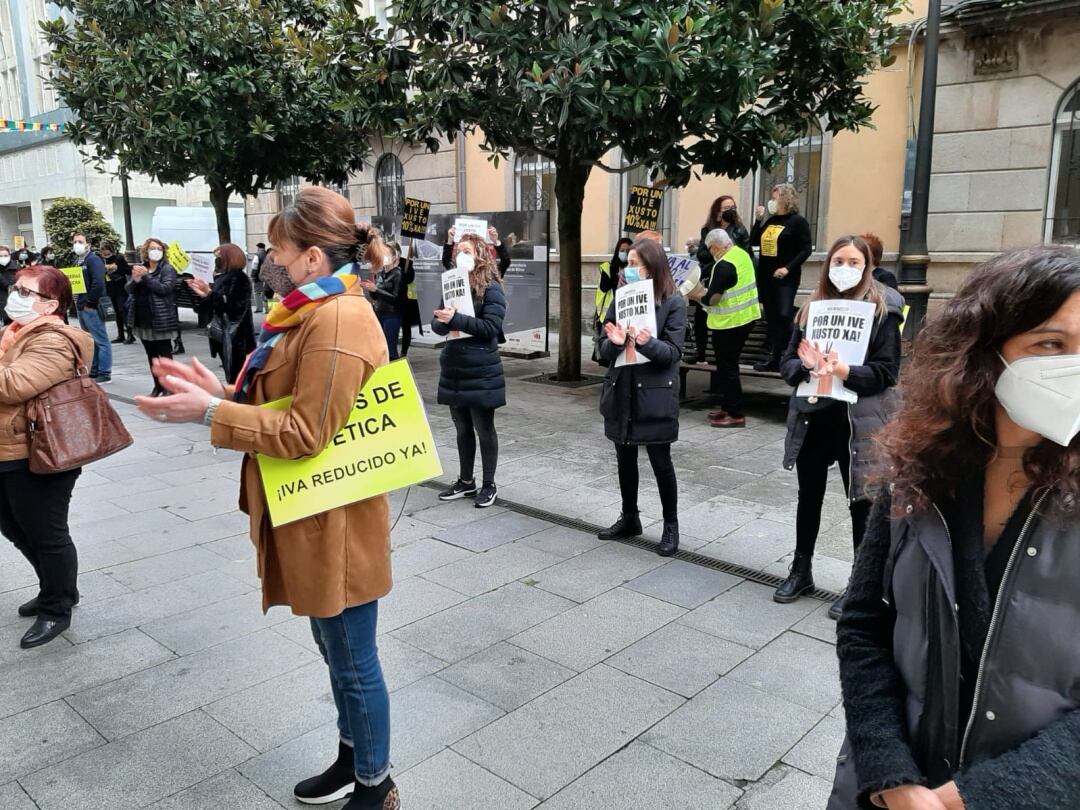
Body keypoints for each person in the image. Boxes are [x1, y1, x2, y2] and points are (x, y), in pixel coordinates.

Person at [135, 186, 398, 810]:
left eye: (279, 251)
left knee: (354, 658)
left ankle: (377, 782)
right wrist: (221, 390)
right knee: (334, 648)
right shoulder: (310, 309)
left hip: (334, 516)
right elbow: (292, 402)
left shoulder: (334, 318)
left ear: (312, 257)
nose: (271, 262)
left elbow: (307, 432)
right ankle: (352, 756)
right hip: (311, 509)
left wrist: (211, 415)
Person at [829, 245, 1080, 810]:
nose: (1073, 366)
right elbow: (864, 621)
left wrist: (967, 799)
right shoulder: (923, 472)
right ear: (984, 354)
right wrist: (890, 774)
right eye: (1050, 344)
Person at [773, 235, 903, 619]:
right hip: (814, 416)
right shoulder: (810, 308)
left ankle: (861, 586)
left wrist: (844, 370)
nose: (844, 268)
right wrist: (806, 366)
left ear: (867, 267)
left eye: (853, 262)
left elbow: (887, 372)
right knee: (808, 496)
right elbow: (786, 364)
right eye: (838, 260)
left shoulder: (883, 309)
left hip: (857, 423)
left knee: (861, 504)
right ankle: (801, 569)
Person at [0, 265, 93, 649]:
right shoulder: (15, 332)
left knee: (46, 532)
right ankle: (54, 586)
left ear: (50, 304)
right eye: (15, 288)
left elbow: (14, 385)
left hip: (38, 451)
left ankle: (57, 608)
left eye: (26, 292)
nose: (15, 295)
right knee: (14, 526)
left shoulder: (55, 339)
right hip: (9, 446)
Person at [596, 237, 687, 557]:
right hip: (622, 389)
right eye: (628, 263)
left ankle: (670, 525)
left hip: (654, 396)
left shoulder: (673, 302)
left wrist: (646, 342)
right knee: (625, 459)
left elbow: (673, 354)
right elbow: (601, 348)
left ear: (653, 266)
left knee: (661, 462)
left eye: (635, 264)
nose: (628, 269)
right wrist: (618, 341)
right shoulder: (620, 298)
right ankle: (630, 516)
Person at [433, 233, 507, 509]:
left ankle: (489, 484)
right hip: (455, 365)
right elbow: (439, 324)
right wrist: (442, 321)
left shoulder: (491, 288)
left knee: (482, 427)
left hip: (481, 367)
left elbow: (491, 328)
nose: (460, 255)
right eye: (458, 250)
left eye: (467, 250)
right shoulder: (452, 283)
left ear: (480, 255)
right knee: (461, 426)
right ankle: (466, 481)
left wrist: (457, 319)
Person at [702, 229, 761, 429]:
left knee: (728, 368)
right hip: (745, 318)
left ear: (716, 247)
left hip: (730, 323)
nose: (711, 253)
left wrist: (695, 295)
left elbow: (713, 298)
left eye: (710, 249)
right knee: (728, 367)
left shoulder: (724, 265)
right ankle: (727, 407)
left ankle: (735, 413)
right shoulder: (741, 255)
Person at [751, 183, 813, 372]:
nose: (772, 201)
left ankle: (788, 355)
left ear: (785, 198)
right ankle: (774, 358)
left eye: (775, 197)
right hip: (767, 277)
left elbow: (805, 249)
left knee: (784, 315)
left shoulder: (797, 222)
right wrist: (758, 221)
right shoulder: (771, 221)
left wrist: (787, 268)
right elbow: (754, 241)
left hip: (786, 278)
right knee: (772, 318)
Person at [186, 244, 256, 384]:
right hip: (224, 335)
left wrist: (210, 294)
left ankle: (238, 402)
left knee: (237, 376)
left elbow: (233, 307)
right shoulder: (222, 277)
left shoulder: (238, 278)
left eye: (219, 257)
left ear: (230, 258)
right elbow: (212, 303)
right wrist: (203, 293)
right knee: (232, 373)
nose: (216, 260)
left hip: (236, 337)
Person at [126, 237, 179, 396]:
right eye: (152, 249)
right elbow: (128, 289)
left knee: (164, 355)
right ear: (146, 252)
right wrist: (135, 281)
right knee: (151, 355)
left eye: (159, 249)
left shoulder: (166, 269)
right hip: (143, 317)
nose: (156, 252)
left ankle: (170, 387)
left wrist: (147, 277)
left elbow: (165, 289)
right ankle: (158, 385)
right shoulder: (142, 267)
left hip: (160, 318)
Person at [73, 232, 112, 384]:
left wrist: (90, 302)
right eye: (75, 241)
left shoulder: (93, 260)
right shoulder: (78, 260)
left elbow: (98, 283)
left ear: (88, 244)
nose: (77, 244)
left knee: (101, 340)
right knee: (91, 340)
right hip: (81, 305)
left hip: (91, 306)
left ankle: (105, 371)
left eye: (80, 241)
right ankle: (94, 370)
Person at [361, 240, 404, 361]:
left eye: (386, 255)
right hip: (379, 313)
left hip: (392, 315)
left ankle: (395, 376)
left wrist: (376, 290)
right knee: (379, 348)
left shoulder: (398, 275)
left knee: (390, 349)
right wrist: (371, 289)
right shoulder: (380, 273)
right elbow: (376, 297)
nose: (383, 257)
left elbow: (396, 299)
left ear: (394, 257)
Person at [596, 238, 633, 353]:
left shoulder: (634, 269)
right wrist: (617, 277)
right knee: (611, 347)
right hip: (610, 315)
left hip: (628, 313)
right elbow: (604, 287)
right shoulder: (608, 268)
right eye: (622, 250)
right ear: (617, 251)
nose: (624, 254)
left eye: (627, 251)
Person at [442, 225, 511, 278]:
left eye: (467, 252)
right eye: (460, 252)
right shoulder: (457, 271)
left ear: (478, 253)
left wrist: (495, 241)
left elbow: (505, 261)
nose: (463, 256)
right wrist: (450, 239)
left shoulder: (489, 273)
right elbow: (446, 261)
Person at [100, 242, 133, 345]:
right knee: (117, 313)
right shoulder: (102, 260)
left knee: (123, 310)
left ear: (110, 249)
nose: (104, 252)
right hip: (111, 289)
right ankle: (121, 335)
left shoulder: (118, 258)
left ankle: (130, 335)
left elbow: (128, 270)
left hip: (121, 288)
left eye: (105, 249)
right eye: (102, 250)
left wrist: (117, 268)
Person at [398, 245, 423, 357]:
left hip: (407, 302)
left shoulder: (406, 265)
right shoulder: (385, 265)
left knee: (405, 327)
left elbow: (409, 279)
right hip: (392, 302)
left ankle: (403, 352)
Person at [0, 245, 16, 327]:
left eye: (5, 256)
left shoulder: (16, 267)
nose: (3, 258)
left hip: (12, 305)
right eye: (0, 256)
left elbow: (11, 286)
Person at [252, 241, 267, 314]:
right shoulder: (268, 254)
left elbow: (255, 266)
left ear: (258, 247)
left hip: (258, 276)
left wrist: (253, 275)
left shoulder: (257, 254)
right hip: (267, 277)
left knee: (257, 292)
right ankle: (267, 309)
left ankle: (259, 308)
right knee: (266, 292)